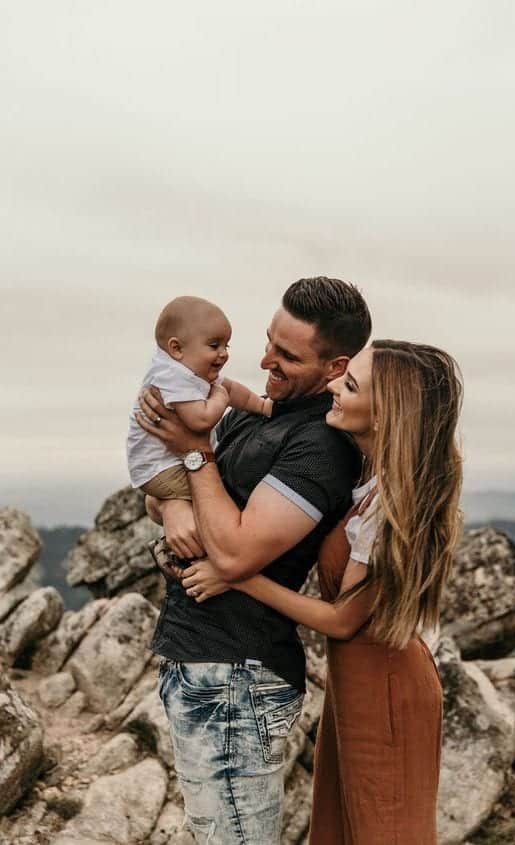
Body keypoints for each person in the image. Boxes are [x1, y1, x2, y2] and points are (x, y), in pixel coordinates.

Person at [180, 340, 463, 845]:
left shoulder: (391, 506)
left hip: (386, 688)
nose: (333, 385)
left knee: (384, 830)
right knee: (344, 825)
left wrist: (237, 573)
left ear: (385, 415)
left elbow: (341, 620)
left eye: (350, 384)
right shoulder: (369, 480)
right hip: (358, 681)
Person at [136, 278, 372, 845]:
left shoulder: (321, 443)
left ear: (335, 365)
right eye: (268, 340)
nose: (265, 359)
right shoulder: (257, 410)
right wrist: (171, 506)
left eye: (287, 355)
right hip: (202, 662)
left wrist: (192, 453)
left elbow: (236, 548)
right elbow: (168, 491)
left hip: (237, 674)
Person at [127, 295, 271, 504]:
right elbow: (201, 419)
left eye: (226, 346)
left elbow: (232, 388)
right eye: (214, 346)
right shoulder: (172, 377)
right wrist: (221, 397)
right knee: (216, 501)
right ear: (177, 349)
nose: (223, 354)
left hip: (174, 461)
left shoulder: (192, 369)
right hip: (160, 469)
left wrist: (262, 405)